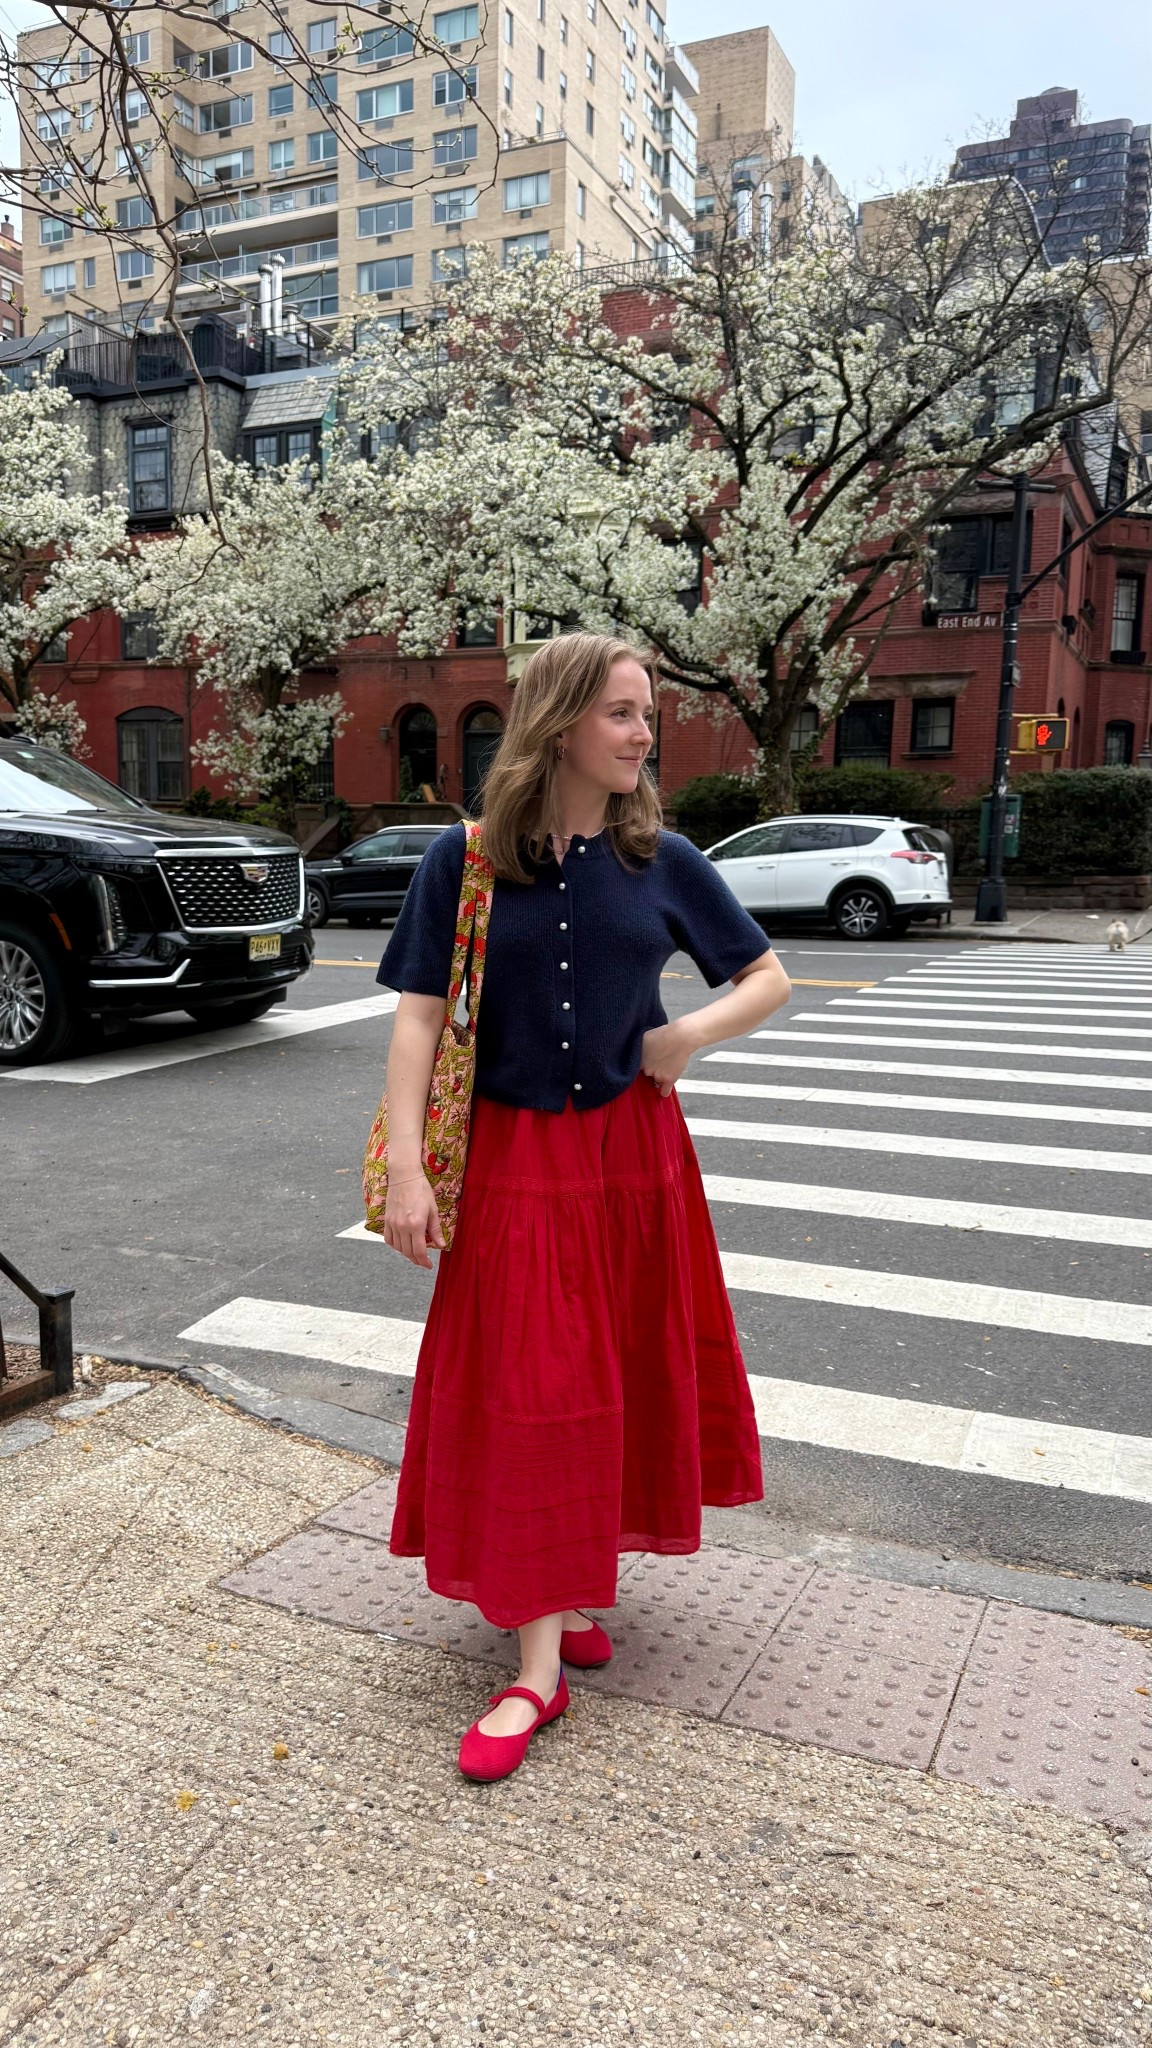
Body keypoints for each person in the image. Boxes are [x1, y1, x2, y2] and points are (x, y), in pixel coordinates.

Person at [376, 633, 791, 1781]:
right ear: (560, 722)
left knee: (613, 1375)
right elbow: (417, 1016)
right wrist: (409, 1167)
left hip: (632, 1162)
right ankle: (538, 1669)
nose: (644, 731)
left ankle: (556, 1596)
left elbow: (766, 974)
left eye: (646, 711)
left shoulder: (659, 857)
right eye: (621, 712)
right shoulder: (461, 863)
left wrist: (683, 1037)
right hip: (512, 1164)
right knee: (535, 1391)